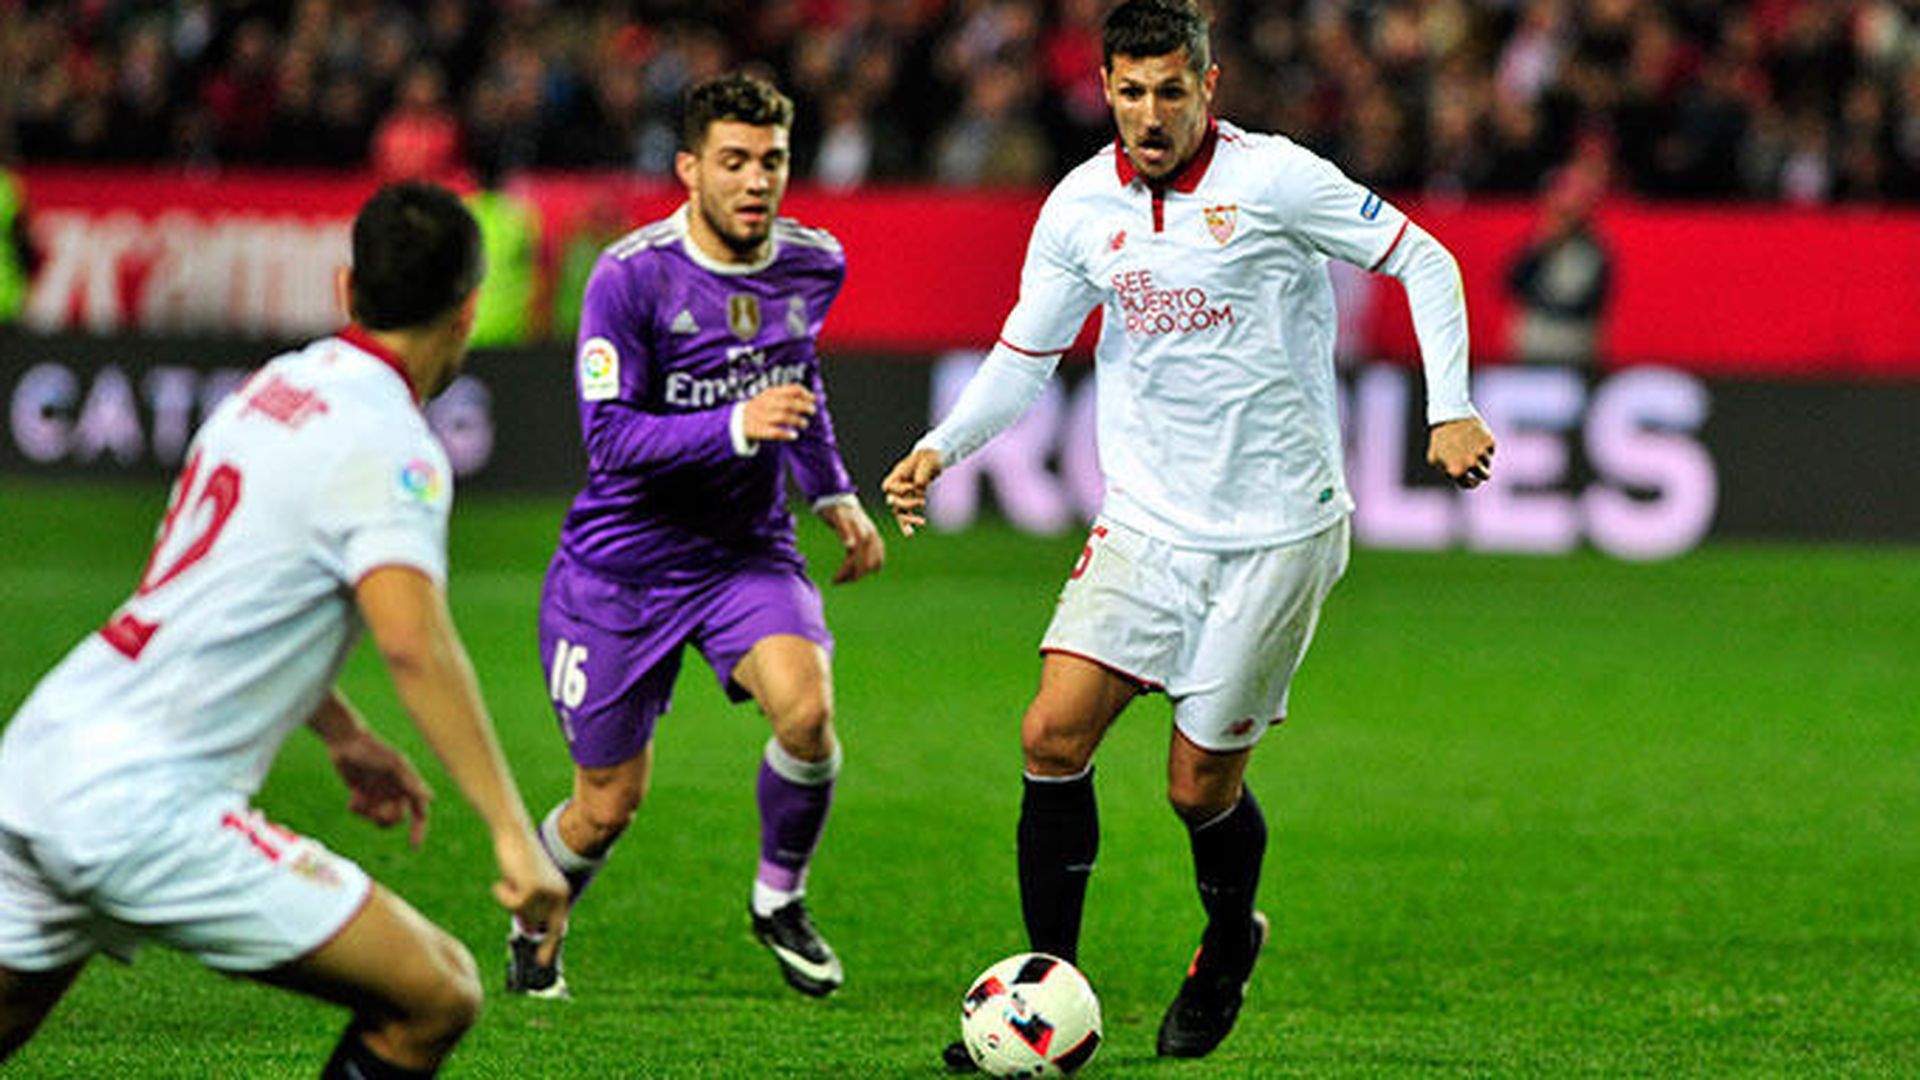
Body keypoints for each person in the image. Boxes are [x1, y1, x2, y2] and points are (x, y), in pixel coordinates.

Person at [881, 0, 1496, 1067]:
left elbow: (1427, 261)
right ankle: (1045, 999)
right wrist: (940, 447)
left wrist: (1451, 406)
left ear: (1209, 88)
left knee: (1195, 785)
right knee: (1050, 736)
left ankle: (1226, 945)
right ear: (1105, 90)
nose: (1151, 114)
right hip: (1148, 523)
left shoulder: (1277, 181)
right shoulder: (1080, 206)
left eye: (1172, 90)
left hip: (1277, 534)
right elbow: (1027, 356)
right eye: (1131, 92)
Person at [0, 182, 568, 1077]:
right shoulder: (392, 444)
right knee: (437, 995)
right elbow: (412, 642)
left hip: (41, 757)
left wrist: (343, 733)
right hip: (147, 807)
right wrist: (510, 829)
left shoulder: (271, 388)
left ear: (347, 288)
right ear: (467, 315)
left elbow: (222, 593)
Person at [506, 72, 884, 1001]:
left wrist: (832, 492)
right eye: (733, 162)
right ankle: (532, 925)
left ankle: (777, 899)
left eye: (772, 161)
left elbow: (797, 380)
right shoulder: (628, 278)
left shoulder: (815, 262)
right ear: (688, 170)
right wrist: (736, 426)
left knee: (807, 710)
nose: (756, 181)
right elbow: (610, 440)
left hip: (744, 553)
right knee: (605, 809)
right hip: (619, 570)